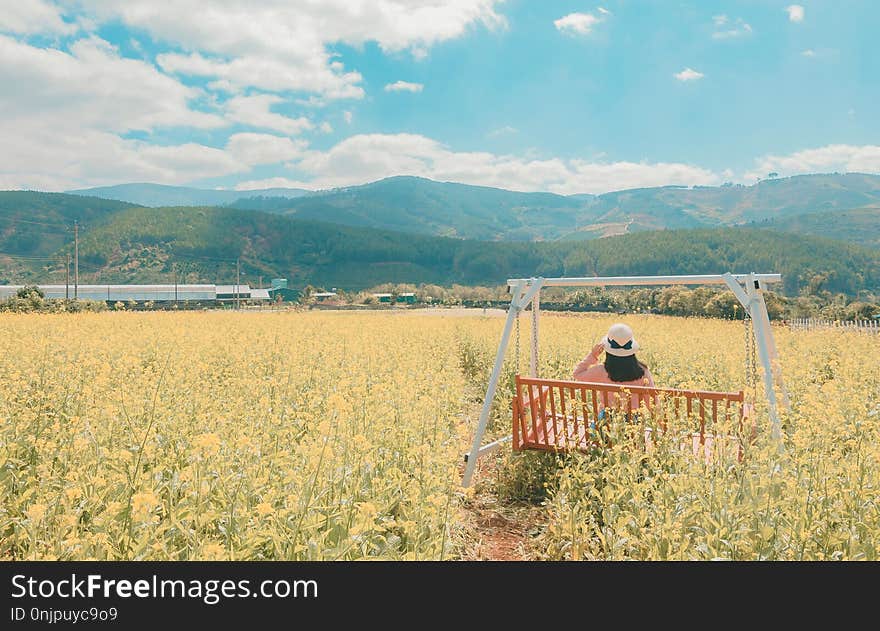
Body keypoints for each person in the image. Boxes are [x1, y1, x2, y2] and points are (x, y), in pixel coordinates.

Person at [572, 323, 655, 416]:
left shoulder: (601, 370)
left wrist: (593, 355)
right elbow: (652, 403)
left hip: (607, 420)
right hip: (633, 421)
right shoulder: (642, 371)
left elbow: (577, 374)